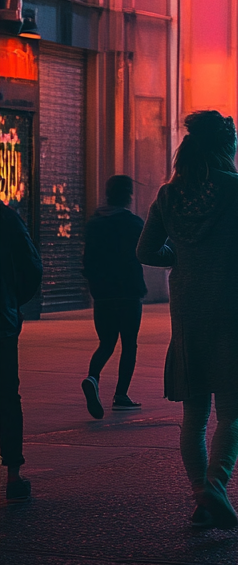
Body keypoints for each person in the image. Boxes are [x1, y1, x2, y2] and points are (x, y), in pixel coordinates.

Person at [137, 111, 238, 530]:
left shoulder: (169, 194)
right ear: (227, 146)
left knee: (194, 413)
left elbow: (146, 252)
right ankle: (215, 487)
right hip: (234, 303)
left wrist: (180, 259)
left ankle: (201, 495)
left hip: (188, 306)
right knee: (235, 408)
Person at [80, 174, 147, 418]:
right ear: (128, 195)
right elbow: (147, 250)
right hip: (128, 292)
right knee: (129, 344)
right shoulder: (134, 223)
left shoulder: (94, 223)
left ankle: (93, 378)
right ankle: (121, 395)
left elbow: (87, 260)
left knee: (106, 343)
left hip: (102, 293)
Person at [1, 198, 42, 502]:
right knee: (6, 394)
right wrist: (15, 304)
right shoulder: (8, 219)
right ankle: (13, 474)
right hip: (2, 320)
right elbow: (31, 266)